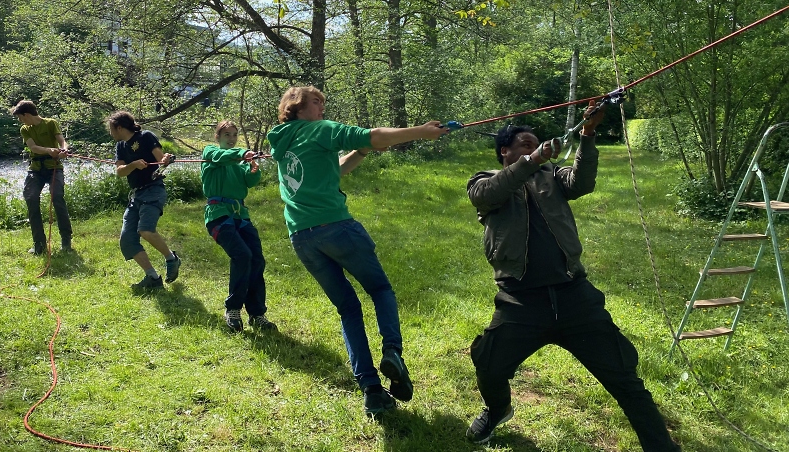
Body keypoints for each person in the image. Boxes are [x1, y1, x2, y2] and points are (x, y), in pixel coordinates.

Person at [465, 102, 680, 450]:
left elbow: (582, 182)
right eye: (525, 143)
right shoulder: (485, 181)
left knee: (624, 377)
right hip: (520, 300)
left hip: (573, 296)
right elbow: (486, 195)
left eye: (536, 143)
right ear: (505, 151)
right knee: (489, 365)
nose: (534, 147)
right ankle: (498, 410)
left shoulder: (552, 175)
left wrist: (588, 134)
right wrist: (531, 160)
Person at [267, 85, 448, 417]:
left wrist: (361, 152)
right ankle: (392, 351)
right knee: (380, 289)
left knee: (348, 309)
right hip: (337, 227)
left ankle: (372, 391)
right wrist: (421, 132)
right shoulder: (321, 129)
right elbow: (376, 135)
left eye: (323, 103)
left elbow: (333, 170)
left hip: (302, 238)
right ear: (297, 107)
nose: (322, 108)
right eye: (316, 102)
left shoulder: (283, 141)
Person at [202, 120, 276, 333]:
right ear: (217, 137)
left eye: (234, 135)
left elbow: (249, 182)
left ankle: (257, 313)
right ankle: (233, 309)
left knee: (256, 258)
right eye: (226, 135)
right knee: (242, 255)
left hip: (240, 215)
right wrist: (243, 154)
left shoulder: (240, 161)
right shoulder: (210, 153)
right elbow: (220, 157)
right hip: (218, 215)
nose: (231, 139)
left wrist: (253, 169)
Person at [108, 110, 182, 292]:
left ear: (119, 127)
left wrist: (165, 159)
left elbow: (161, 159)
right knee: (127, 240)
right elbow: (120, 172)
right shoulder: (120, 146)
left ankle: (172, 259)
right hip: (136, 195)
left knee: (146, 230)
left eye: (111, 129)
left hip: (153, 190)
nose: (110, 133)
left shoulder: (146, 137)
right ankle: (153, 278)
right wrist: (133, 165)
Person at [11, 100, 73, 255]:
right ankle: (39, 244)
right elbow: (33, 148)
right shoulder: (25, 129)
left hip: (54, 168)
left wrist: (64, 150)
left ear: (26, 114)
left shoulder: (51, 123)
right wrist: (49, 150)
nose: (20, 121)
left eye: (20, 117)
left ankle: (66, 240)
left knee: (57, 197)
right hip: (36, 169)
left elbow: (62, 141)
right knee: (31, 198)